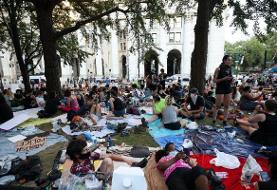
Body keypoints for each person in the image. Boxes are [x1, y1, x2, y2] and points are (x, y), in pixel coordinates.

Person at [66, 139, 147, 176]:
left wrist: (125, 159)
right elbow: (95, 176)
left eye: (87, 148)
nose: (88, 150)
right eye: (85, 150)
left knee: (108, 160)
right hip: (87, 184)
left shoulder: (88, 155)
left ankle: (134, 164)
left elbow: (109, 155)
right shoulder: (77, 168)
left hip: (93, 176)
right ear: (77, 155)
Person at [212, 55, 233, 126]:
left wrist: (231, 80)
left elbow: (229, 78)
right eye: (229, 60)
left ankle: (225, 120)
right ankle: (214, 120)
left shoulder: (230, 68)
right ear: (224, 60)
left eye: (231, 60)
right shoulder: (218, 69)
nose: (230, 61)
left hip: (228, 88)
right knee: (218, 105)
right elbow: (214, 80)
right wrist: (224, 79)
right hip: (220, 88)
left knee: (227, 106)